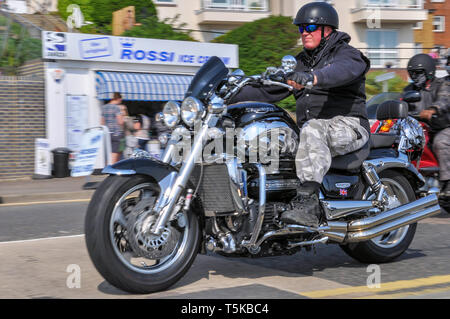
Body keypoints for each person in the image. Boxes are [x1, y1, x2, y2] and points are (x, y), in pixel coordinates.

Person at [230, 2, 371, 227]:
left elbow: (342, 71)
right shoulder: (300, 62)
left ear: (327, 30)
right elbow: (267, 89)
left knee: (312, 128)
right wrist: (226, 94)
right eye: (301, 28)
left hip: (349, 126)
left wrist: (313, 78)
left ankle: (308, 203)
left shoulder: (347, 54)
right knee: (265, 140)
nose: (304, 33)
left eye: (310, 28)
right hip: (310, 130)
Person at [405, 53, 450, 197]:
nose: (414, 76)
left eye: (418, 73)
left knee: (440, 143)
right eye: (412, 73)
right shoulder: (410, 90)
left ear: (429, 71)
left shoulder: (442, 84)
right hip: (419, 130)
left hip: (442, 128)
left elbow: (444, 99)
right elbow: (402, 103)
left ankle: (447, 183)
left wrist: (432, 110)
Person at [101, 92, 125, 164]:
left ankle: (106, 168)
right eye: (120, 100)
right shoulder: (116, 107)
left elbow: (102, 122)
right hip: (115, 133)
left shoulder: (104, 107)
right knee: (114, 153)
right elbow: (120, 121)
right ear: (118, 99)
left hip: (106, 133)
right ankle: (112, 170)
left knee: (107, 152)